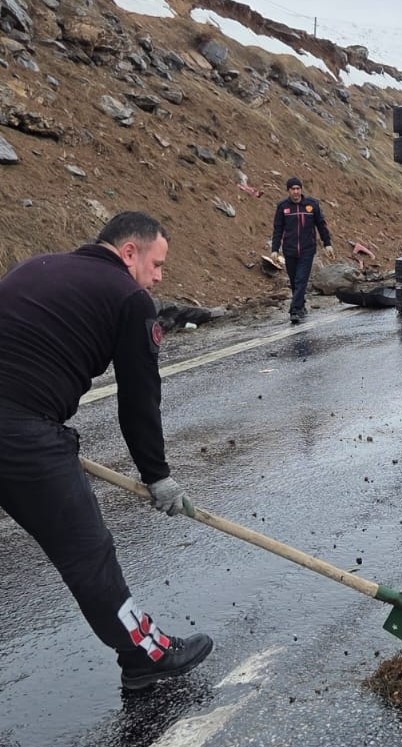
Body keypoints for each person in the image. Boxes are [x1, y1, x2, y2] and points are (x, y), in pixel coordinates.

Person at [0, 211, 214, 690]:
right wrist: (157, 475)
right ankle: (145, 656)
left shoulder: (33, 267)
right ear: (129, 252)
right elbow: (139, 397)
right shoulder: (129, 297)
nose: (158, 277)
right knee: (88, 553)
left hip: (18, 425)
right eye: (157, 264)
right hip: (22, 435)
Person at [270, 175, 335, 323]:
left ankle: (294, 310)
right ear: (288, 191)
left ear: (301, 190)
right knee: (294, 281)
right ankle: (301, 305)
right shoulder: (283, 207)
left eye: (298, 188)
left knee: (301, 280)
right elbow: (278, 229)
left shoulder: (312, 205)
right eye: (293, 189)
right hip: (290, 250)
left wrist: (327, 244)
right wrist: (275, 249)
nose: (296, 192)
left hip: (307, 249)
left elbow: (321, 225)